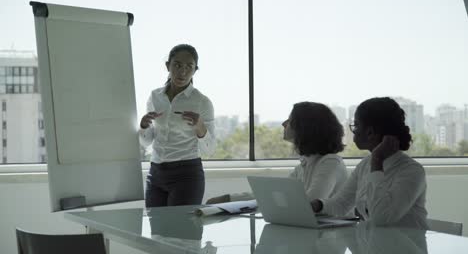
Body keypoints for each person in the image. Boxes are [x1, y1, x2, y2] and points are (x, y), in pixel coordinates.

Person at [310, 97, 429, 229]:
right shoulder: (365, 164)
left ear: (370, 132)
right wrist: (317, 205)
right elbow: (341, 204)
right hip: (377, 245)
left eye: (356, 126)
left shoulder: (411, 171)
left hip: (406, 246)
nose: (353, 131)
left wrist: (377, 160)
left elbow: (381, 217)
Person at [206, 101, 347, 204]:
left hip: (331, 238)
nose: (284, 124)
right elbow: (271, 194)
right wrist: (228, 199)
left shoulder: (330, 163)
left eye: (290, 120)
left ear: (305, 127)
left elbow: (311, 202)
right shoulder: (304, 165)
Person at [139, 44, 216, 207]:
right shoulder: (155, 96)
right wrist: (144, 126)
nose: (183, 72)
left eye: (189, 67)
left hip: (187, 175)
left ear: (195, 70)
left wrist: (200, 127)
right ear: (168, 65)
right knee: (156, 231)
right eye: (177, 65)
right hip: (156, 173)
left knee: (182, 231)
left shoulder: (202, 102)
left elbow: (209, 150)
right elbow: (146, 142)